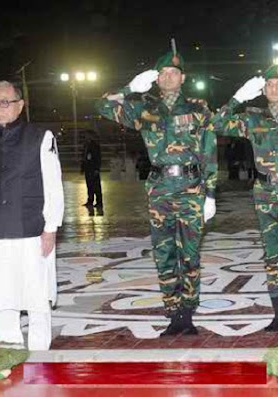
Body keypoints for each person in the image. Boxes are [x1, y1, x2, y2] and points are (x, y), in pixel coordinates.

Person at [96, 46, 218, 337]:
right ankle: (173, 312)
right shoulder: (144, 108)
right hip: (160, 189)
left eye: (173, 72)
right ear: (155, 78)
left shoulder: (198, 108)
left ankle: (187, 313)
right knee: (164, 254)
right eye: (162, 73)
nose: (167, 77)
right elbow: (100, 106)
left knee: (189, 255)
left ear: (183, 77)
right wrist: (129, 88)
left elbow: (209, 151)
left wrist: (210, 193)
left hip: (190, 188)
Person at [209, 65, 278, 332]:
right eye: (269, 85)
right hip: (265, 195)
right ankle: (277, 315)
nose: (274, 89)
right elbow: (214, 123)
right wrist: (238, 98)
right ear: (263, 90)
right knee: (272, 255)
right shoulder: (252, 119)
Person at [0, 81, 64, 350]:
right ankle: (8, 350)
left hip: (33, 229)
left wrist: (51, 227)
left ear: (20, 105)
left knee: (36, 296)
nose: (0, 108)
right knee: (0, 296)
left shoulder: (41, 136)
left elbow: (53, 185)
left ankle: (39, 353)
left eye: (5, 102)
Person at [81, 131, 103, 208]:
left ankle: (99, 202)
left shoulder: (95, 146)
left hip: (93, 168)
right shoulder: (86, 145)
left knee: (96, 186)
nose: (86, 137)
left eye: (87, 135)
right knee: (89, 185)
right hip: (88, 168)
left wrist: (97, 168)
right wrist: (83, 167)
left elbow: (98, 158)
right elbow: (84, 157)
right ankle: (90, 200)